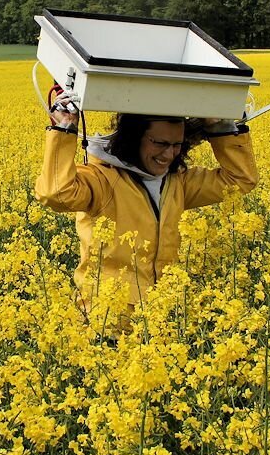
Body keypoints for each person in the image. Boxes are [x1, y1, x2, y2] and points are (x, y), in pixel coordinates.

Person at [36, 104, 258, 305]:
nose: (169, 154)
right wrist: (65, 129)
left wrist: (220, 128)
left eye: (176, 145)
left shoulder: (177, 182)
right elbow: (56, 193)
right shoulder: (102, 179)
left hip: (161, 317)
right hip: (106, 320)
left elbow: (240, 180)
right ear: (133, 138)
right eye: (160, 143)